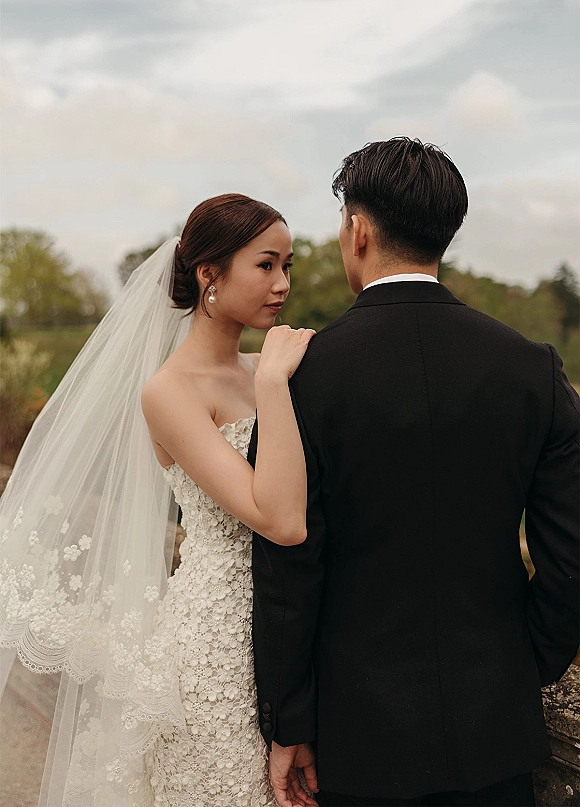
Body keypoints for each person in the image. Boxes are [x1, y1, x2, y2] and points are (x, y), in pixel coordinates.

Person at [250, 138, 580, 807]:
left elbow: (289, 564)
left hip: (355, 731)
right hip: (496, 725)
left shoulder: (299, 378)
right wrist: (530, 663)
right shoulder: (533, 369)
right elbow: (571, 556)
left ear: (358, 230)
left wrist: (289, 720)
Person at [0, 193, 316, 807]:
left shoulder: (268, 366)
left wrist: (272, 373)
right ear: (209, 275)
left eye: (289, 265)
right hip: (215, 652)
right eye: (266, 264)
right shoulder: (169, 392)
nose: (282, 284)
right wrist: (276, 382)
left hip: (294, 632)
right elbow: (278, 518)